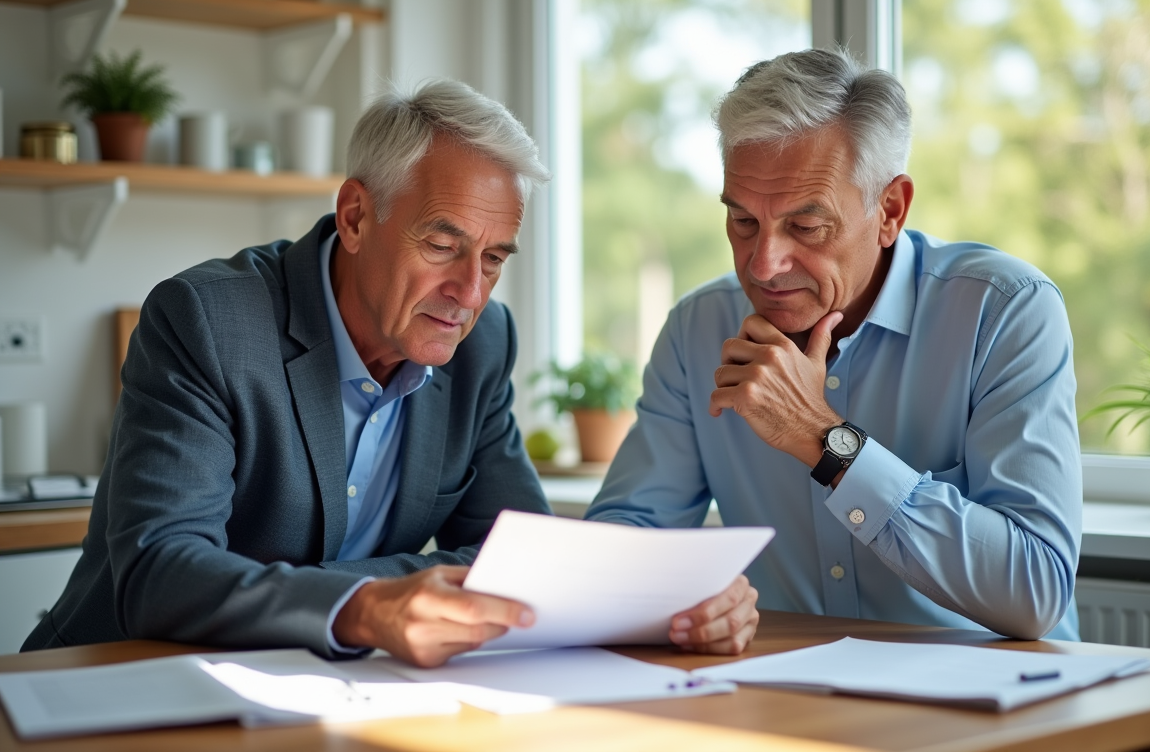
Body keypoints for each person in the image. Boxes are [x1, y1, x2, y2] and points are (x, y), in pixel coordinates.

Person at [24, 80, 749, 667]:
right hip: (118, 683)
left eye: (495, 258)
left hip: (325, 692)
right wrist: (366, 608)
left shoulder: (482, 341)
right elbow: (161, 573)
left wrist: (670, 610)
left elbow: (515, 554)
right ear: (356, 217)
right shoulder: (207, 320)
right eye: (443, 244)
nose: (470, 293)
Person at [586, 48, 1083, 644]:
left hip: (998, 703)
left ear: (890, 210)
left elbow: (1037, 591)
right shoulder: (699, 329)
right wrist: (682, 603)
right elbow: (625, 538)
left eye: (807, 226)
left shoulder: (1005, 310)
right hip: (787, 701)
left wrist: (826, 444)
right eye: (743, 222)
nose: (764, 264)